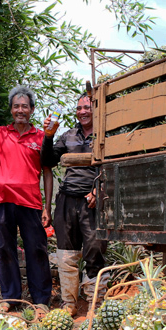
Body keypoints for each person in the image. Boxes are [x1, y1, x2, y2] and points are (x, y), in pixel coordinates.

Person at [0, 85, 53, 307]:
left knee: (36, 249)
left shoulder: (42, 137)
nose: (20, 110)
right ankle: (11, 298)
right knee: (5, 250)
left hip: (31, 202)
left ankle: (41, 299)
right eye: (16, 106)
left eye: (25, 106)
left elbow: (47, 172)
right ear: (11, 110)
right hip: (3, 201)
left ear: (32, 109)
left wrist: (48, 207)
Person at [42, 93, 106, 315]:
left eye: (87, 107)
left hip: (93, 202)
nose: (82, 111)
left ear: (96, 109)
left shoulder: (105, 135)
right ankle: (69, 304)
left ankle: (94, 304)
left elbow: (116, 166)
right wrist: (48, 136)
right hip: (67, 200)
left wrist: (100, 189)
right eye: (79, 108)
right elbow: (47, 161)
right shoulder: (68, 136)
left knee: (95, 250)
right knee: (66, 253)